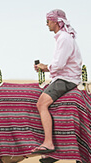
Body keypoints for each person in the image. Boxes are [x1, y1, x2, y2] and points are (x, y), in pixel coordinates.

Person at [33, 9, 82, 154]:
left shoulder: (64, 39)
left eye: (48, 21)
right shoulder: (64, 38)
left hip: (66, 79)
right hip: (65, 77)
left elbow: (59, 65)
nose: (46, 23)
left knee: (41, 104)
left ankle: (48, 143)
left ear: (55, 21)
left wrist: (45, 67)